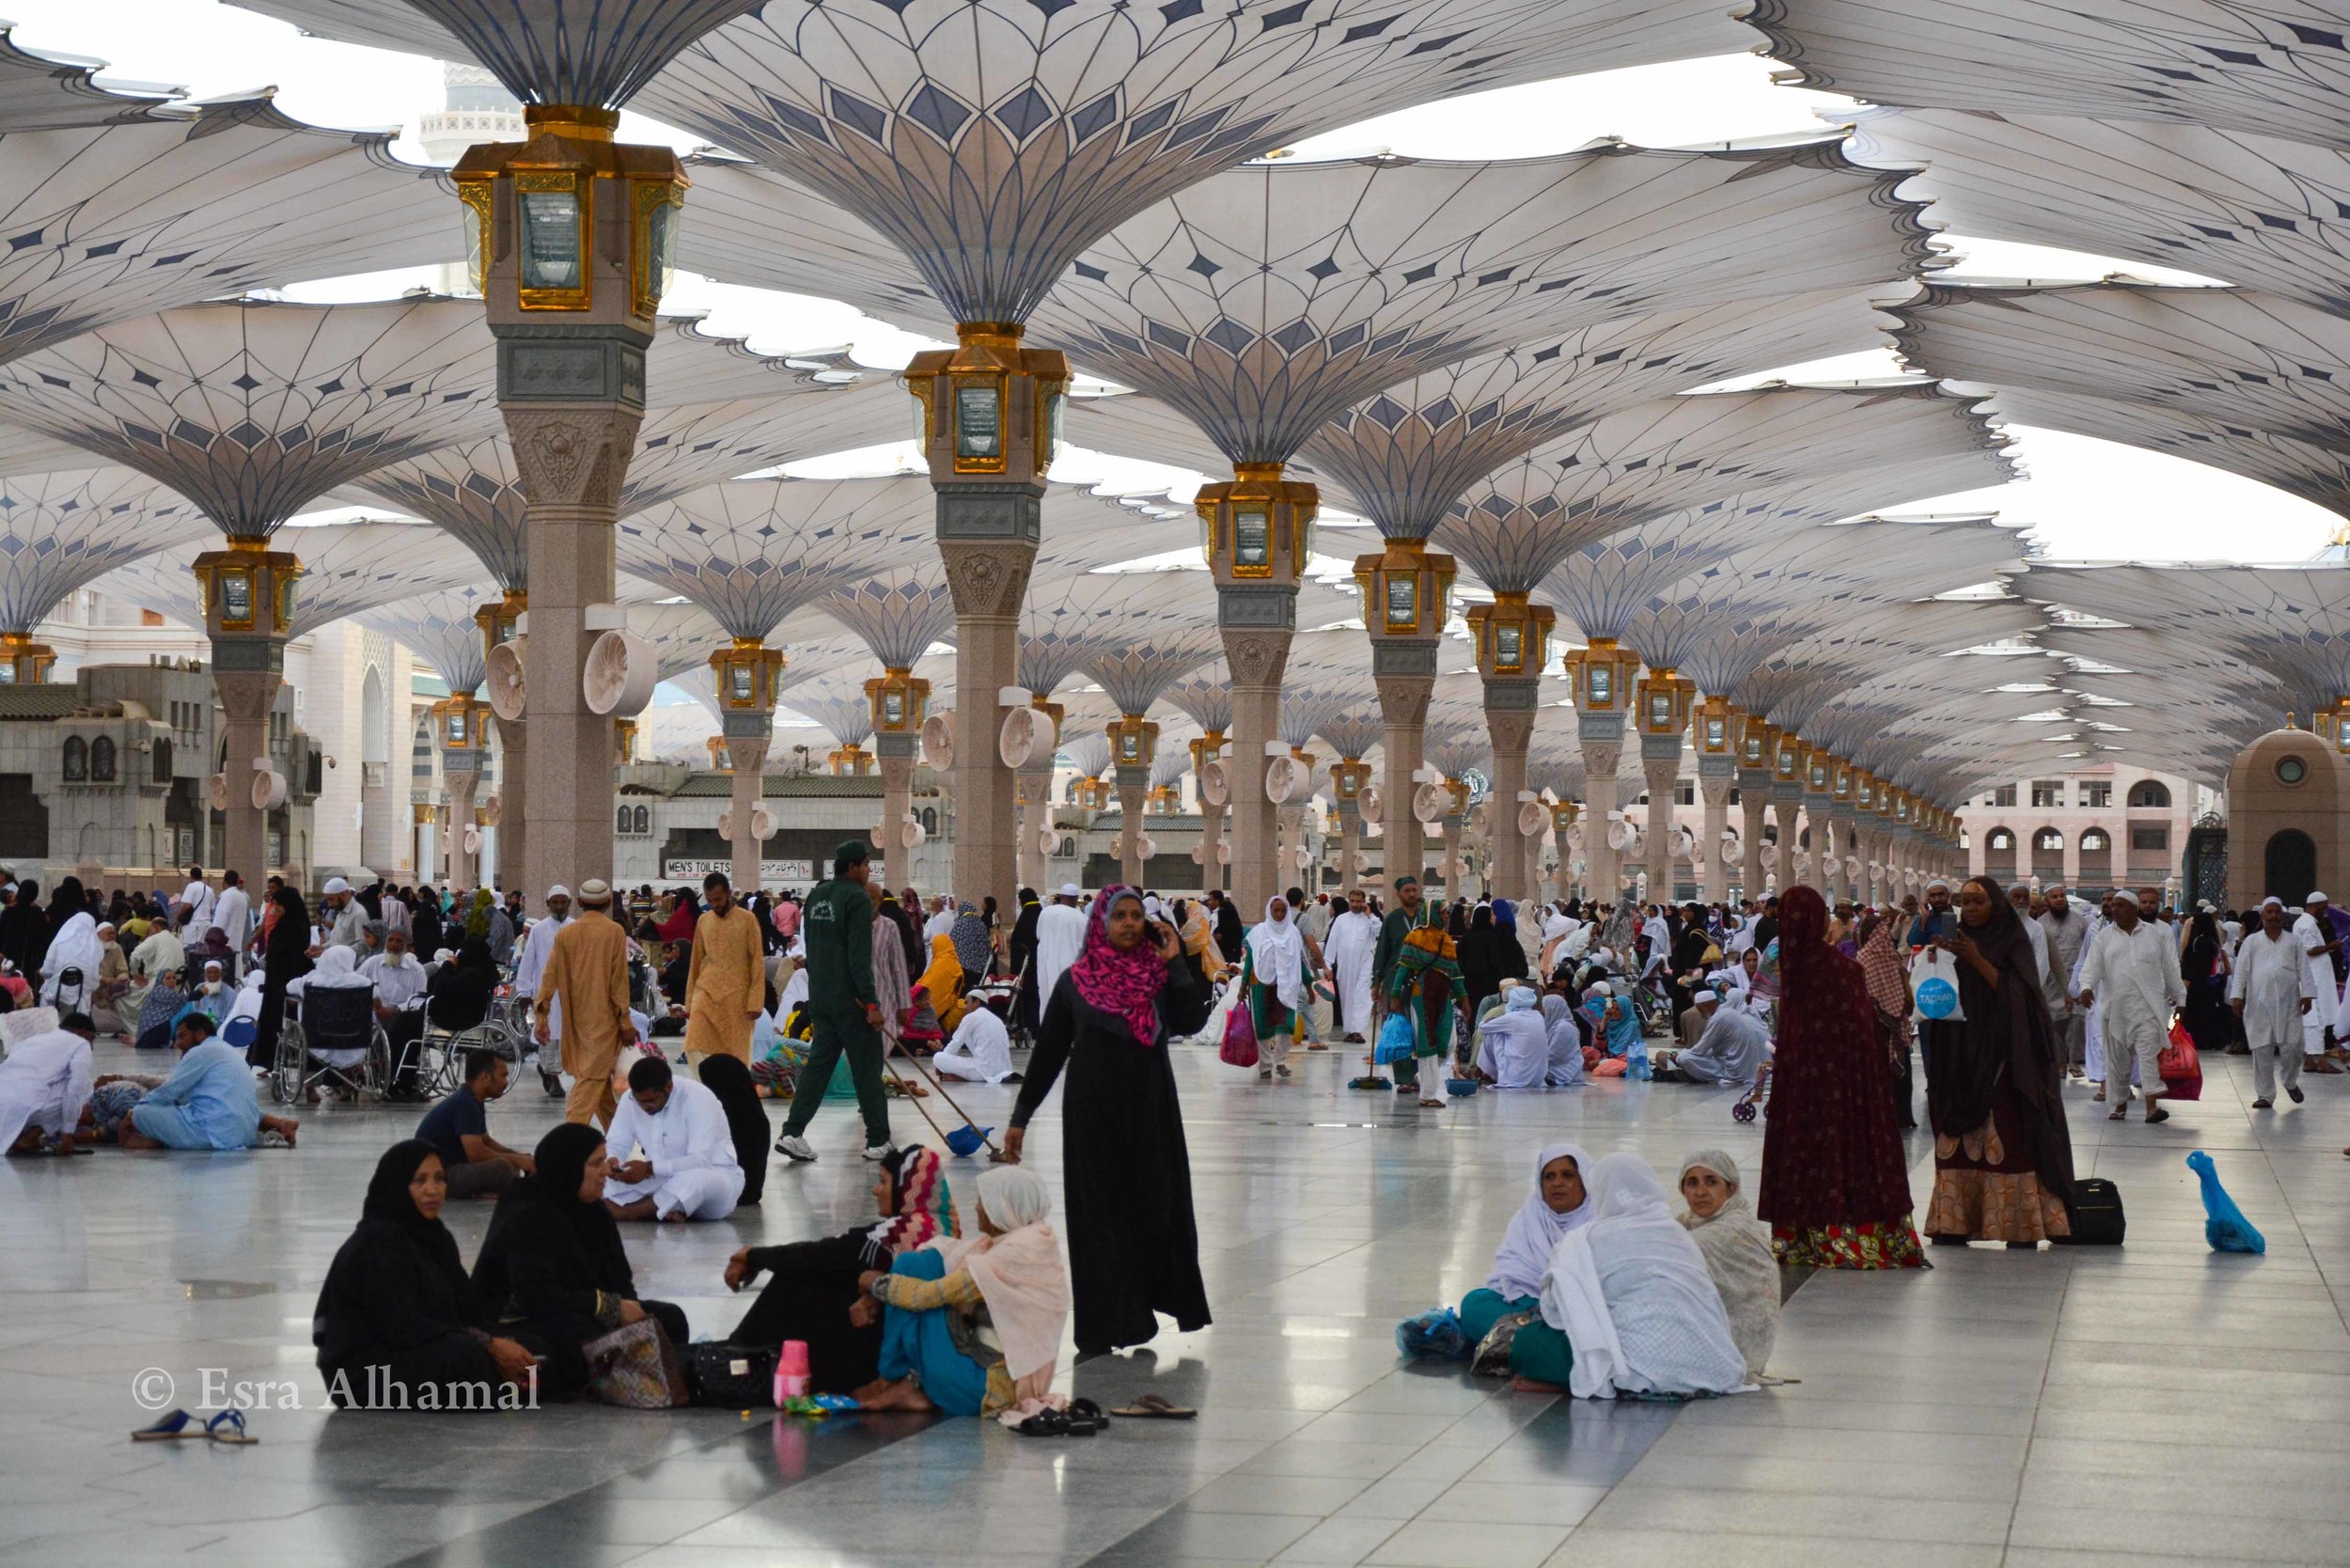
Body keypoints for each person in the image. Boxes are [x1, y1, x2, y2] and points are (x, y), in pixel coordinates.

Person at [1005, 886, 1211, 1354]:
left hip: (1151, 1112)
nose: (1130, 923)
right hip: (1091, 1116)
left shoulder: (1158, 976)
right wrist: (1020, 1118)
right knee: (1098, 1218)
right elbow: (1048, 1054)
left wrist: (1176, 960)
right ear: (1100, 922)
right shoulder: (1075, 981)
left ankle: (1151, 1304)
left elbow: (1191, 1022)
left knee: (1154, 1209)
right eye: (1119, 915)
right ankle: (1108, 1322)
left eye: (1137, 915)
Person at [1756, 886, 1925, 1269]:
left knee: (1808, 1149)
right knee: (1838, 1149)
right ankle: (1838, 1234)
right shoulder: (1838, 969)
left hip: (1808, 1085)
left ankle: (1802, 1236)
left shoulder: (1797, 968)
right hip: (1841, 1085)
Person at [311, 1141, 538, 1411]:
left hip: (415, 1350)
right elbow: (400, 1326)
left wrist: (502, 1342)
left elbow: (466, 1311)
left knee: (529, 1346)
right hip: (363, 1373)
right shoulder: (377, 1242)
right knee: (469, 1362)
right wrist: (488, 1346)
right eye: (419, 1181)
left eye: (439, 1179)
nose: (433, 1190)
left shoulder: (437, 1238)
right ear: (397, 1186)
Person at [470, 1122, 689, 1401]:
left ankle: (643, 1374)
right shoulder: (526, 1212)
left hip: (584, 1309)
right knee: (576, 1332)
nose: (605, 1173)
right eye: (596, 1164)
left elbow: (619, 1278)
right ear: (569, 1166)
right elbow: (537, 1297)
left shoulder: (593, 1210)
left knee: (670, 1318)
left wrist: (631, 1311)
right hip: (523, 1318)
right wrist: (611, 1308)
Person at [1920, 876, 2079, 1247]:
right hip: (1959, 1055)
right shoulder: (1953, 938)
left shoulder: (2012, 939)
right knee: (1955, 1139)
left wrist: (1975, 959)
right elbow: (1937, 995)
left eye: (1979, 901)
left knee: (2006, 1134)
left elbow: (2023, 998)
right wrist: (1934, 960)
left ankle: (2016, 1226)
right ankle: (1954, 1222)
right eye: (1967, 901)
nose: (1972, 908)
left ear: (1996, 904)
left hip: (2004, 1056)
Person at [723, 1146, 957, 1391]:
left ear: (905, 1189)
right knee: (817, 1273)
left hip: (879, 1359)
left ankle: (736, 1354)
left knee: (794, 1280)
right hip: (912, 1354)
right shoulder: (946, 1228)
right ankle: (739, 1351)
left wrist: (753, 1256)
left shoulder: (898, 1236)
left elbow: (827, 1254)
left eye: (883, 1182)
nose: (876, 1190)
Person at [853, 1165, 1072, 1423]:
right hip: (981, 1375)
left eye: (983, 1201)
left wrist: (872, 1284)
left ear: (1002, 1208)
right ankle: (901, 1382)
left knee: (911, 1278)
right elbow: (947, 1251)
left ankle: (889, 1379)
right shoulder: (1031, 1242)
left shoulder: (1010, 1258)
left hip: (981, 1389)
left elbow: (924, 1296)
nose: (977, 1208)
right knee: (917, 1264)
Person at [1532, 1152, 1750, 1399]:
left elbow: (1559, 1306)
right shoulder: (1677, 1233)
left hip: (1634, 1366)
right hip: (1710, 1362)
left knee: (1530, 1345)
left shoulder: (1590, 1238)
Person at [773, 840, 894, 1164]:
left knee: (818, 1068)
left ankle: (792, 1132)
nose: (869, 871)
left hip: (822, 999)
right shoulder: (856, 898)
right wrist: (870, 1002)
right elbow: (859, 956)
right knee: (868, 1069)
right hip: (851, 1002)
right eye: (867, 865)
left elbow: (812, 947)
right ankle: (878, 1139)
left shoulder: (816, 896)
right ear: (853, 867)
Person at [1451, 1143, 1591, 1366]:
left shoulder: (1597, 1222)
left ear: (1584, 1180)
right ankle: (1538, 1343)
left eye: (1568, 1175)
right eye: (1549, 1177)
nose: (1557, 1183)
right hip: (1526, 1306)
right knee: (1474, 1303)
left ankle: (1517, 1343)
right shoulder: (1528, 1218)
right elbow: (1509, 1272)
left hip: (1573, 1312)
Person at [2075, 887, 2186, 1124]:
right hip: (2115, 1009)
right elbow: (2092, 967)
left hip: (2148, 1008)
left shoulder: (2155, 934)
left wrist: (2180, 996)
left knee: (2148, 1056)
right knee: (2118, 1062)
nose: (2114, 909)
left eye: (2120, 905)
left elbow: (2170, 967)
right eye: (2113, 905)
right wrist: (2086, 988)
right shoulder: (2104, 937)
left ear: (2134, 909)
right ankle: (2119, 1105)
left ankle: (2151, 1107)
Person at [120, 1013, 301, 1150]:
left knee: (143, 1112)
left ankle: (157, 1141)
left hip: (215, 1133)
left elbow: (169, 1091)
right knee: (234, 1105)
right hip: (245, 1132)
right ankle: (280, 1123)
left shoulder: (200, 1052)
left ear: (199, 1034)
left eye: (182, 1036)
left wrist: (132, 1114)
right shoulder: (225, 1049)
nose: (177, 1044)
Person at [598, 1055, 744, 1222]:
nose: (645, 1107)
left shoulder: (698, 1098)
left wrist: (648, 1169)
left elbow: (700, 1159)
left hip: (715, 1179)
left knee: (695, 1180)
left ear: (669, 1087)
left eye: (651, 1100)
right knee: (597, 1177)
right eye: (640, 1102)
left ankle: (631, 1212)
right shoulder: (630, 1100)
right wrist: (613, 1161)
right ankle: (665, 1207)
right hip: (659, 1179)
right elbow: (616, 1142)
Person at [535, 880, 633, 1127]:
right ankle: (570, 1140)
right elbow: (619, 982)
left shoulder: (566, 934)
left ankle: (618, 1139)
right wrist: (625, 1021)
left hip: (575, 1023)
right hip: (605, 1024)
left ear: (578, 903)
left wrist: (541, 1017)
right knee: (590, 1081)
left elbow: (549, 977)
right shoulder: (614, 932)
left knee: (598, 1087)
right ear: (608, 903)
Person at [1676, 1150, 1778, 1381]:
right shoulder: (1688, 1223)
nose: (1701, 1192)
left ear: (1731, 1188)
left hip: (1737, 1348)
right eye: (1692, 1183)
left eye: (1711, 1182)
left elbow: (1670, 1253)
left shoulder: (1735, 1228)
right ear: (1682, 1190)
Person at [415, 1049, 536, 1199]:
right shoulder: (466, 1103)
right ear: (485, 1077)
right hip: (436, 1176)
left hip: (448, 1169)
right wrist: (517, 1160)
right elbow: (476, 1154)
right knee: (503, 1167)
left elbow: (486, 1141)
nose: (506, 1082)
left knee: (510, 1165)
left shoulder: (473, 1098)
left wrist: (519, 1157)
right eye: (503, 1076)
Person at [2231, 897, 2314, 1110]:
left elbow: (2304, 968)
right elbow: (2241, 969)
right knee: (2262, 1049)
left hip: (2290, 1003)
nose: (2274, 916)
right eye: (2270, 912)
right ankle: (2265, 1095)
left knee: (2293, 1047)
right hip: (2259, 1003)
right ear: (2263, 915)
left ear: (2283, 915)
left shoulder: (2294, 941)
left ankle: (2290, 1082)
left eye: (2277, 912)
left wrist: (2308, 994)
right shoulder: (2252, 941)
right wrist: (2237, 996)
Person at [1384, 892, 1463, 1109]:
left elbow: (1455, 972)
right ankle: (1428, 1095)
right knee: (1426, 1044)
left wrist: (1463, 998)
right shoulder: (1416, 937)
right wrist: (1395, 996)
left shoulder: (1447, 940)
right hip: (1421, 997)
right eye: (1445, 913)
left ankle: (1422, 1074)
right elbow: (1403, 969)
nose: (1448, 917)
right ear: (1434, 914)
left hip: (1443, 997)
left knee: (1449, 1043)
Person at [682, 872, 765, 1067]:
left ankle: (731, 1095)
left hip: (737, 998)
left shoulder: (747, 920)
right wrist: (689, 1001)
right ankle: (707, 1092)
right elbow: (696, 961)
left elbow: (756, 961)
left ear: (728, 894)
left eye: (718, 899)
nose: (714, 904)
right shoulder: (704, 921)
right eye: (710, 900)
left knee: (735, 1054)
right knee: (694, 1046)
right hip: (705, 993)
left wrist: (756, 1000)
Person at [0, 1011, 96, 1154]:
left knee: (43, 1084)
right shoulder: (80, 1043)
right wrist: (67, 1135)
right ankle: (29, 1138)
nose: (92, 1046)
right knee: (84, 1087)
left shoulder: (33, 1040)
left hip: (5, 1102)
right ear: (82, 1032)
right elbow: (76, 1087)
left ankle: (21, 1136)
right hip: (23, 1104)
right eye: (92, 1039)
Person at [1240, 894, 1312, 1080]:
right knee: (1263, 1026)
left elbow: (1300, 962)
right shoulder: (1258, 932)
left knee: (1287, 1025)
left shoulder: (1293, 933)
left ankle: (1280, 1061)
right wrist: (1243, 986)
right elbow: (1251, 960)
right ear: (1269, 911)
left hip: (1287, 985)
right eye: (1276, 910)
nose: (1279, 914)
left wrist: (1309, 985)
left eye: (1283, 910)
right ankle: (1265, 1066)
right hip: (1261, 985)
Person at [251, 885, 313, 1070]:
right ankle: (270, 1060)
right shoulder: (288, 923)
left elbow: (294, 958)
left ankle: (277, 1059)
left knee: (279, 1020)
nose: (274, 908)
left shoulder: (294, 926)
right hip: (276, 980)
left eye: (278, 904)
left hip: (285, 982)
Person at [2035, 884, 2089, 1078]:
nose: (2059, 900)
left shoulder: (2081, 921)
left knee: (2076, 1021)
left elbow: (2088, 948)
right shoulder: (2040, 923)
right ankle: (2060, 1064)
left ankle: (2074, 1062)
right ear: (2047, 901)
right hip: (2051, 981)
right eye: (2054, 897)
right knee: (2055, 1023)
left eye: (2062, 896)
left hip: (2075, 978)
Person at [1666, 989, 1770, 1086]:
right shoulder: (1729, 1013)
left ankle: (1708, 1075)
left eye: (1700, 1010)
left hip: (1735, 1072)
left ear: (1706, 1006)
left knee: (1685, 1058)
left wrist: (1678, 1058)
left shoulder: (1718, 1018)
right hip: (1747, 1068)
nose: (1701, 1015)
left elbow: (1700, 1050)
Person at [2292, 891, 2342, 1074]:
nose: (2325, 911)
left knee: (2313, 1021)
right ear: (2316, 905)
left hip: (2316, 977)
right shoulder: (2306, 923)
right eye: (2324, 907)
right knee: (2316, 1020)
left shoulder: (2308, 922)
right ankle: (2320, 1060)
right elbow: (2310, 950)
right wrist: (2331, 946)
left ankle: (2309, 1060)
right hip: (2314, 979)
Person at [1324, 889, 1379, 1043]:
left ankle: (1358, 1030)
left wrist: (1370, 915)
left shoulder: (1370, 919)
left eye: (1358, 901)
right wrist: (1327, 965)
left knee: (1361, 996)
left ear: (1364, 902)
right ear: (1349, 901)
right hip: (1345, 965)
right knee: (1347, 998)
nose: (1355, 904)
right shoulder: (1340, 920)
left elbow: (1380, 931)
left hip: (1365, 965)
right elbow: (1332, 942)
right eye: (1352, 901)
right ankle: (1350, 1030)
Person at [1472, 985, 1554, 1089]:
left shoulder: (1512, 1018)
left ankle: (1493, 1073)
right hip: (1538, 1078)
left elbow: (1483, 1028)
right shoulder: (1538, 1016)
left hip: (1514, 1076)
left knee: (1494, 1033)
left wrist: (1488, 1020)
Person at [934, 995, 1019, 1083]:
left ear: (976, 1002)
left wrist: (941, 1066)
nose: (964, 1007)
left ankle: (963, 1076)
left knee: (938, 1057)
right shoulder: (997, 1019)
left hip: (982, 1072)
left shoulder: (972, 1017)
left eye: (967, 1002)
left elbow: (954, 1044)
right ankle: (961, 1075)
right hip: (1004, 1070)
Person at [1032, 884, 1086, 1011]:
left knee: (1047, 998)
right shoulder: (1082, 918)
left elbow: (1039, 935)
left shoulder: (1046, 912)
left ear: (1061, 897)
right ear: (1076, 898)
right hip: (1070, 966)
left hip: (1047, 962)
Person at [38, 909, 102, 1010]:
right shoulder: (96, 949)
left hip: (55, 995)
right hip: (81, 1001)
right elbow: (94, 983)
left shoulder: (59, 943)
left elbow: (46, 971)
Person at [1456, 902, 1508, 1018]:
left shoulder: (1467, 936)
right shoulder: (1493, 937)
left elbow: (1457, 957)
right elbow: (1496, 963)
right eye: (1491, 916)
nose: (1493, 918)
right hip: (1489, 985)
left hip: (1469, 983)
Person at [1007, 886, 1043, 1036]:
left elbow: (1019, 941)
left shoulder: (1027, 916)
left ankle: (1027, 1025)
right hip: (1038, 961)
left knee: (1027, 995)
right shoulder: (1039, 913)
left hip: (1025, 964)